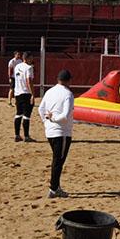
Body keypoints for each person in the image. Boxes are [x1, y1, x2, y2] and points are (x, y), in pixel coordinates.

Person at [38, 69, 75, 198]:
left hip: (50, 131)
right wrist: (53, 119)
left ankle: (56, 187)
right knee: (58, 161)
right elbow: (64, 116)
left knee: (57, 159)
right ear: (69, 80)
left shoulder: (49, 91)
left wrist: (46, 122)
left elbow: (40, 109)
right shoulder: (68, 94)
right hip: (62, 132)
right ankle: (54, 189)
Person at [12, 54, 34, 142]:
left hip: (17, 93)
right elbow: (29, 81)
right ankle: (26, 136)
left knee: (18, 113)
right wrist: (32, 94)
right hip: (26, 93)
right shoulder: (29, 68)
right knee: (26, 115)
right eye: (31, 58)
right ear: (27, 58)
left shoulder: (17, 67)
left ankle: (17, 135)